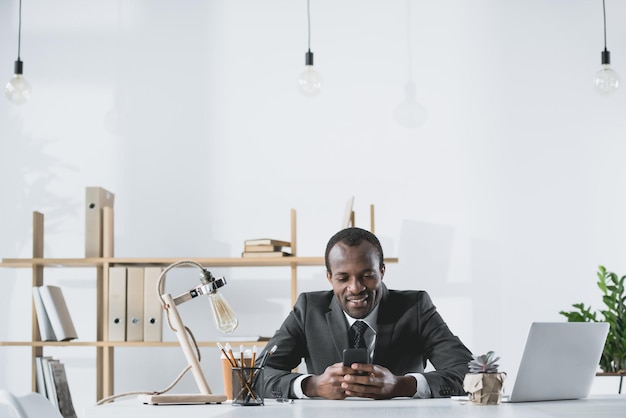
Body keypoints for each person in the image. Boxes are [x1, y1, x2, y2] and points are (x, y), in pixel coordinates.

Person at [256, 227, 473, 400]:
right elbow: (255, 377)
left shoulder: (415, 307)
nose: (356, 288)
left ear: (382, 271)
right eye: (343, 278)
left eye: (367, 275)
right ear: (329, 277)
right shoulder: (308, 309)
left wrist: (403, 385)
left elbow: (469, 372)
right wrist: (312, 385)